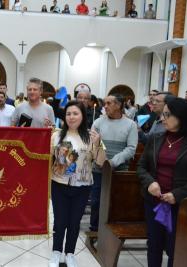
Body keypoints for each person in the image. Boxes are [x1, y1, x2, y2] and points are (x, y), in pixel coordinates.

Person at [137, 97, 187, 267]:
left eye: (167, 114)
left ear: (181, 117)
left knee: (174, 249)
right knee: (153, 245)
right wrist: (150, 183)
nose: (162, 118)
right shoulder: (156, 138)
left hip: (180, 206)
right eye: (163, 114)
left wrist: (177, 194)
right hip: (154, 202)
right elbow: (141, 166)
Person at [49, 101, 105, 267]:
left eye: (75, 113)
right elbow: (46, 157)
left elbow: (101, 161)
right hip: (59, 184)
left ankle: (70, 253)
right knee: (60, 221)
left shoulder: (91, 136)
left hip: (82, 186)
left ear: (82, 116)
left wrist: (98, 143)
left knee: (74, 222)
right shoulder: (57, 135)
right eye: (68, 114)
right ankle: (56, 252)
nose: (71, 117)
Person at [89, 93, 138, 231]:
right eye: (105, 103)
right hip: (99, 168)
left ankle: (114, 229)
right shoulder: (98, 122)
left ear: (119, 105)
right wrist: (102, 161)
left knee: (116, 200)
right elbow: (92, 145)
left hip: (119, 169)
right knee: (97, 200)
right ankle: (95, 228)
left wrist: (113, 162)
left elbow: (131, 148)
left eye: (109, 103)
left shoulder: (130, 125)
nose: (105, 106)